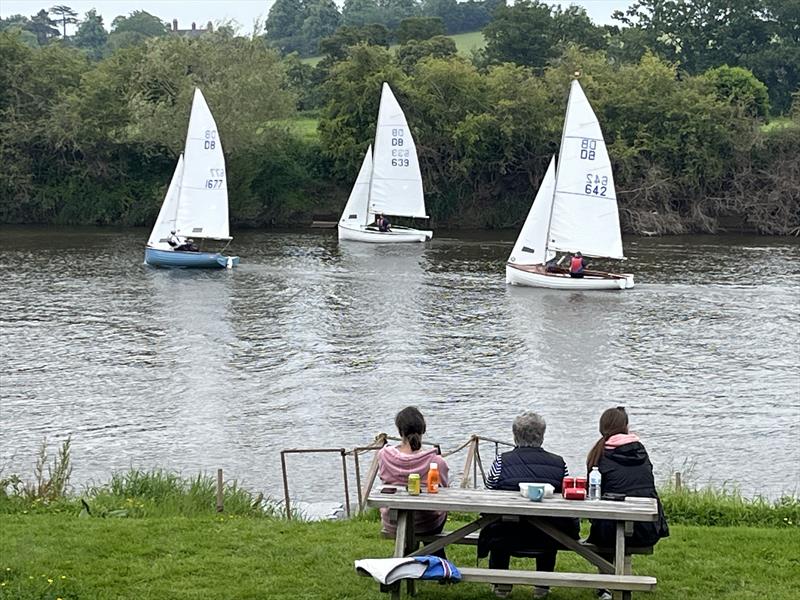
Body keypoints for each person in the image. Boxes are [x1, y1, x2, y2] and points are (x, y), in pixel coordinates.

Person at [478, 412, 579, 599]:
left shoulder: (502, 461)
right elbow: (565, 495)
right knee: (546, 520)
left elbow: (490, 488)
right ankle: (542, 586)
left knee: (502, 519)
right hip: (548, 537)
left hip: (505, 534)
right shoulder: (559, 463)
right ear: (542, 435)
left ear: (515, 435)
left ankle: (501, 584)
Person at [586, 407, 669, 600]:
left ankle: (606, 586)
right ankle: (614, 584)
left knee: (606, 528)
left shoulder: (599, 456)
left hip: (607, 531)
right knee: (616, 528)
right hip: (647, 528)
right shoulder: (641, 451)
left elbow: (593, 501)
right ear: (626, 426)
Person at [378, 407, 449, 554]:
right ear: (423, 430)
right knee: (438, 513)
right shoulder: (436, 462)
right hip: (427, 522)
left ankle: (407, 556)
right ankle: (436, 555)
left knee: (412, 523)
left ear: (400, 431)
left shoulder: (384, 456)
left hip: (393, 521)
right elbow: (443, 490)